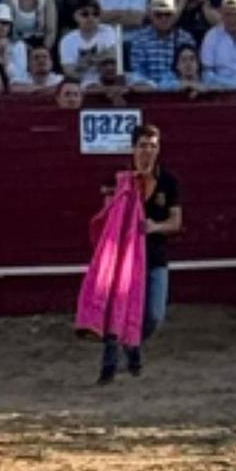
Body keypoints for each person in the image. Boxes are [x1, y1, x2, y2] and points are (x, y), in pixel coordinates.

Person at [95, 125, 181, 385]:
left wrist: (156, 226)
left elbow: (175, 222)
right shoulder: (118, 179)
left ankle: (131, 345)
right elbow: (108, 218)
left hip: (154, 254)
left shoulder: (168, 181)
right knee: (117, 310)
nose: (148, 151)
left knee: (154, 314)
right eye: (143, 145)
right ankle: (112, 364)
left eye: (153, 146)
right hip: (123, 258)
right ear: (133, 148)